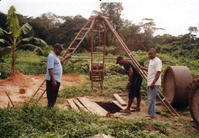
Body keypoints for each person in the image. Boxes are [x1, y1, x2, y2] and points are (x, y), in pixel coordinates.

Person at [46, 43, 71, 108]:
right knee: (51, 97)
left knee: (54, 97)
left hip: (56, 79)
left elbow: (60, 63)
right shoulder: (51, 56)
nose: (60, 52)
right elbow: (50, 69)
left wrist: (66, 58)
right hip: (52, 80)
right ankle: (49, 111)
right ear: (56, 49)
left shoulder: (55, 56)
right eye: (60, 50)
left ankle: (51, 110)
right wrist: (54, 81)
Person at [139, 48, 162, 119]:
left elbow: (158, 72)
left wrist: (153, 83)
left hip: (154, 83)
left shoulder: (157, 61)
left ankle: (151, 115)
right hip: (150, 82)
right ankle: (150, 113)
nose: (149, 55)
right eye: (148, 54)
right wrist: (142, 68)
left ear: (155, 54)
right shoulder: (151, 61)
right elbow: (150, 70)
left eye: (151, 54)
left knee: (151, 99)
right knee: (150, 98)